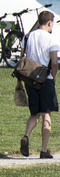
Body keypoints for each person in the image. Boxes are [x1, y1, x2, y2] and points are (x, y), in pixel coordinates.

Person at [22, 9, 59, 158]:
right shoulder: (51, 39)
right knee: (46, 114)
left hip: (30, 78)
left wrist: (19, 81)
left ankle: (26, 136)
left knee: (34, 113)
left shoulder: (28, 37)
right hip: (46, 79)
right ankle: (44, 150)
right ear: (49, 23)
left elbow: (22, 59)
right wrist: (54, 77)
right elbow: (55, 63)